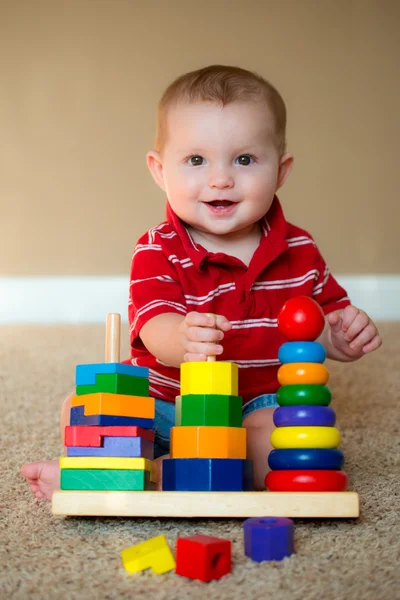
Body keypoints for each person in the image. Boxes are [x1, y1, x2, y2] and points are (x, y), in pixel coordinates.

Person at [21, 65, 382, 500]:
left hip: (252, 408)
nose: (220, 178)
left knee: (285, 445)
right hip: (168, 405)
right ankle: (138, 466)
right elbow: (154, 327)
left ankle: (150, 475)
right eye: (196, 160)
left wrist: (340, 336)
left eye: (244, 159)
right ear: (159, 170)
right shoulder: (157, 248)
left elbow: (326, 316)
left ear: (281, 171)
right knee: (82, 409)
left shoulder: (299, 248)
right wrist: (181, 338)